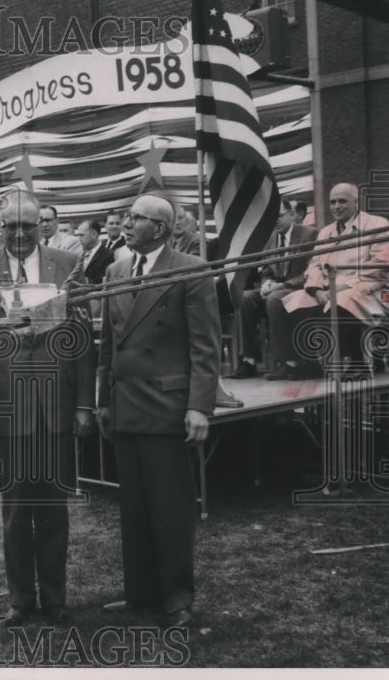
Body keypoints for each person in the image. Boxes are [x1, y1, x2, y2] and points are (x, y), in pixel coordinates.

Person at [0, 190, 94, 625]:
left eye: (28, 225)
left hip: (56, 407)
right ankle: (21, 600)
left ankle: (54, 598)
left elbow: (83, 341)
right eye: (11, 226)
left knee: (55, 509)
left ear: (43, 225)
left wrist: (82, 405)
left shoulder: (67, 265)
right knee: (16, 513)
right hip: (8, 407)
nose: (19, 234)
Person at [95, 194, 220, 628]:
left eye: (136, 219)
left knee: (170, 509)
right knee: (133, 507)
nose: (125, 224)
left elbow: (206, 346)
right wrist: (102, 401)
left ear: (161, 229)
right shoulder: (114, 270)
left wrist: (199, 407)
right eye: (126, 216)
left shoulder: (190, 270)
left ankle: (177, 599)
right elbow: (108, 346)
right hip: (125, 404)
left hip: (167, 407)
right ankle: (140, 593)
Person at [267, 182, 389, 378]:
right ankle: (309, 364)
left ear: (356, 202)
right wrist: (316, 290)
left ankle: (358, 363)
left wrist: (340, 287)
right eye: (333, 202)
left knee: (343, 300)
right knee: (293, 301)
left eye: (342, 201)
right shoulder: (326, 232)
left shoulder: (377, 225)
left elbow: (379, 268)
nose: (336, 206)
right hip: (328, 290)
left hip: (371, 290)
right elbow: (315, 265)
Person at [228, 199, 319, 378]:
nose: (275, 221)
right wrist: (266, 283)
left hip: (299, 289)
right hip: (276, 289)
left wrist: (282, 285)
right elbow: (267, 269)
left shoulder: (309, 234)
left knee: (275, 298)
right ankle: (249, 360)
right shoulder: (270, 238)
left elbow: (311, 271)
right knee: (246, 298)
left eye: (279, 216)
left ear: (291, 215)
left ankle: (289, 362)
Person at [75, 219, 114, 285]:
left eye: (82, 235)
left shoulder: (108, 256)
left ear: (94, 234)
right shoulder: (79, 254)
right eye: (78, 235)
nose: (79, 239)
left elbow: (103, 283)